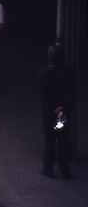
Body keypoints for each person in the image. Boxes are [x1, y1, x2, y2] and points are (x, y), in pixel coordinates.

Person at [36, 45, 76, 179]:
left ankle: (48, 169)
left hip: (49, 113)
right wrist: (63, 108)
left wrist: (52, 109)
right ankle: (65, 172)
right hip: (62, 114)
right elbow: (72, 94)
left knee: (50, 140)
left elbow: (43, 95)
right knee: (63, 140)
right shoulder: (69, 74)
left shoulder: (43, 73)